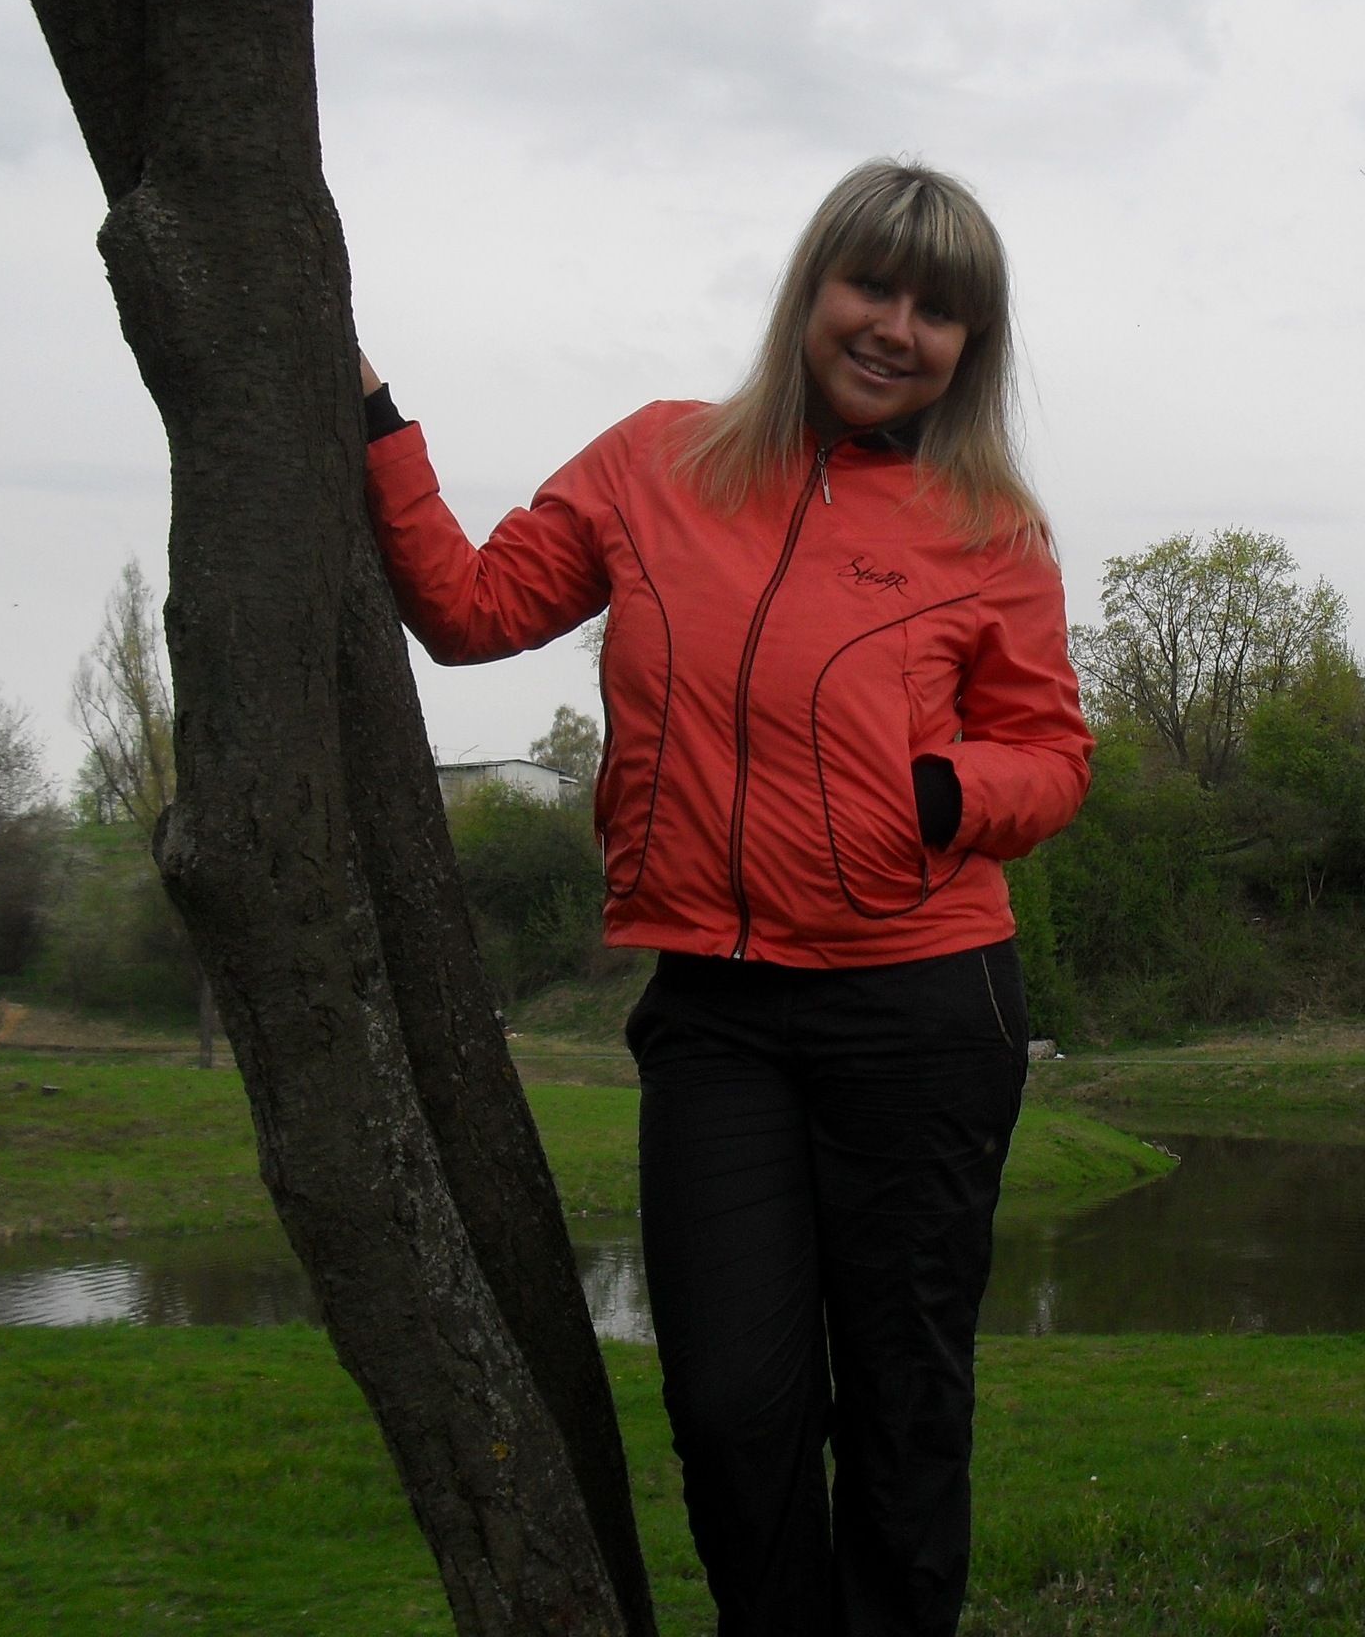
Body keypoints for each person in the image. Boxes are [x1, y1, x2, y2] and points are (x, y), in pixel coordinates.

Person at [359, 161, 1094, 1637]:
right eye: (870, 286)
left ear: (971, 345)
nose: (894, 327)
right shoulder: (657, 460)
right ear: (811, 290)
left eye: (938, 310)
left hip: (923, 1006)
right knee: (730, 1407)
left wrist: (938, 796)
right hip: (717, 1014)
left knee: (902, 1403)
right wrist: (372, 422)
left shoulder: (989, 526)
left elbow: (1051, 754)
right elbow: (471, 611)